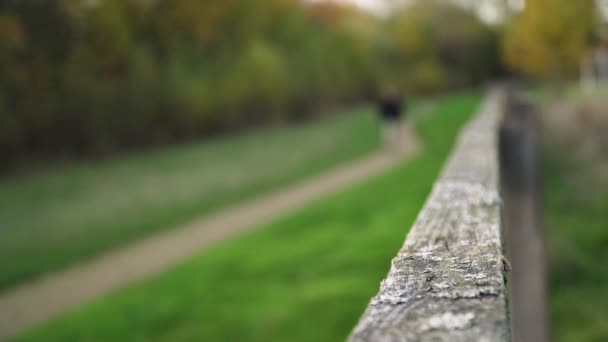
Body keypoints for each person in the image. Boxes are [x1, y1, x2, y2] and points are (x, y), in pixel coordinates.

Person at [378, 86, 405, 150]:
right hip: (391, 119)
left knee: (391, 133)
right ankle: (394, 146)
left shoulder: (387, 101)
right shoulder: (394, 101)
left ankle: (394, 146)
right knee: (392, 133)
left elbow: (382, 111)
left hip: (390, 119)